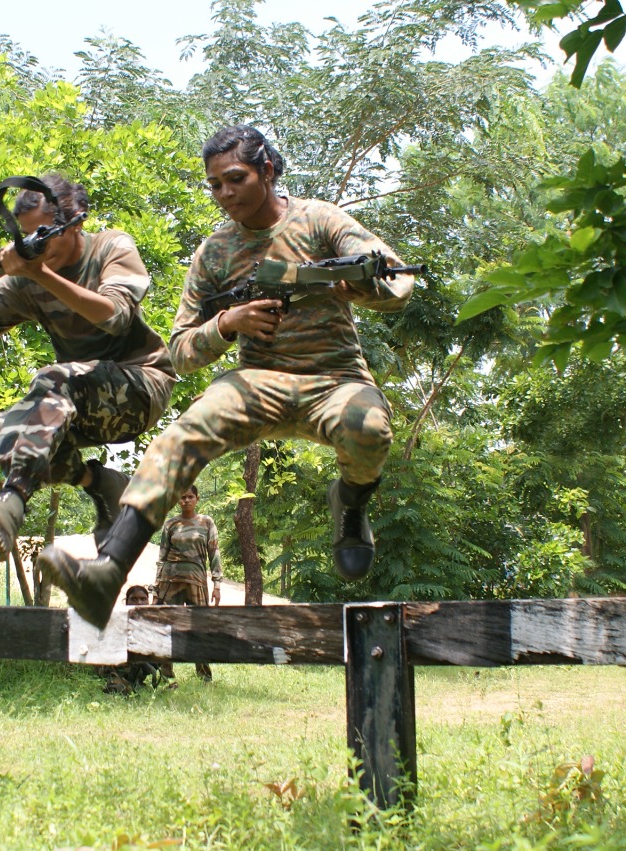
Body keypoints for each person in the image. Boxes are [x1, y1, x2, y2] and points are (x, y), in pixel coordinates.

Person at [40, 125, 415, 628]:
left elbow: (399, 278)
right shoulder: (214, 252)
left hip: (336, 378)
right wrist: (227, 324)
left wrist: (362, 288)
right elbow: (180, 350)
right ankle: (107, 574)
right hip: (256, 382)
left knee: (369, 429)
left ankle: (349, 501)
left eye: (235, 178)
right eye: (214, 185)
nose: (224, 193)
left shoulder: (319, 219)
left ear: (267, 170)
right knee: (180, 437)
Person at [0, 174, 178, 563]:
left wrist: (39, 275)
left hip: (142, 386)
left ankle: (10, 507)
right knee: (10, 429)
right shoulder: (26, 281)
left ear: (77, 221)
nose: (36, 246)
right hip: (80, 400)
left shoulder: (110, 247)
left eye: (44, 234)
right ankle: (103, 484)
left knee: (52, 379)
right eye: (27, 238)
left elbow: (115, 315)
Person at [154, 485, 222, 682]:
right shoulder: (170, 524)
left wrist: (217, 584)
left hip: (196, 581)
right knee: (167, 628)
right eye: (182, 497)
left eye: (190, 497)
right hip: (170, 581)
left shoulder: (206, 522)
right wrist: (157, 587)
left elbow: (214, 553)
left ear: (197, 499)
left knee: (199, 628)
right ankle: (166, 677)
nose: (186, 501)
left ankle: (204, 676)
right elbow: (162, 556)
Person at [96, 584, 163, 694]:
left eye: (143, 599)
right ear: (126, 601)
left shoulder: (151, 622)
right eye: (134, 599)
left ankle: (135, 681)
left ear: (148, 601)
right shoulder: (117, 618)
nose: (139, 603)